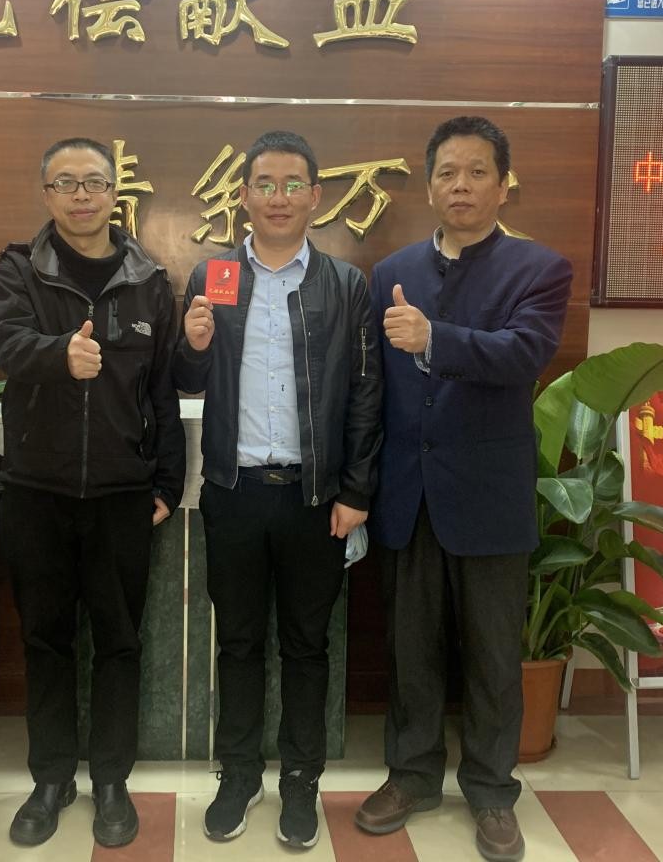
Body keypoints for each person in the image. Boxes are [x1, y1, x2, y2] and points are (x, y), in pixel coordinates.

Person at [354, 116, 572, 862]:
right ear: (428, 186)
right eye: (446, 172)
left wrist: (435, 340)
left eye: (477, 172)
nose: (461, 185)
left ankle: (491, 791)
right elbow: (374, 387)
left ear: (503, 185)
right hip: (407, 495)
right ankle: (411, 777)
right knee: (410, 651)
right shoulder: (392, 270)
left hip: (487, 495)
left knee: (491, 657)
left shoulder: (538, 268)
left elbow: (524, 354)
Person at [174, 130, 382, 850]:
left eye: (293, 185)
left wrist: (355, 490)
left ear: (315, 197)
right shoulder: (212, 276)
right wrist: (192, 344)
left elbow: (364, 393)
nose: (279, 198)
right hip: (232, 491)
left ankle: (300, 780)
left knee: (305, 646)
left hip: (313, 497)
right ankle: (237, 775)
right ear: (243, 195)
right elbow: (186, 380)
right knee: (236, 642)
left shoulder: (344, 285)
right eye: (265, 184)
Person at [0, 137, 185, 849]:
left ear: (113, 194)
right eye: (65, 183)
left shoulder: (149, 281)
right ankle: (50, 778)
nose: (80, 195)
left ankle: (110, 779)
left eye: (93, 182)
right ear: (47, 194)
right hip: (35, 492)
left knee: (119, 642)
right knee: (46, 640)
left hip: (122, 496)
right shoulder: (17, 270)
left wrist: (167, 482)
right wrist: (58, 355)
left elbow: (161, 388)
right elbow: (6, 343)